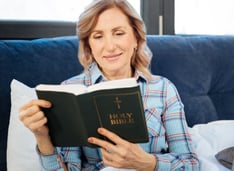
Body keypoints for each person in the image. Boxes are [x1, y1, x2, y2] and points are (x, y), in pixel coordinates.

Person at [19, 0, 200, 170]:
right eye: (98, 36)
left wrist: (147, 163)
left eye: (119, 33)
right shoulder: (70, 90)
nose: (110, 46)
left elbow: (191, 164)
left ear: (136, 38)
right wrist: (42, 138)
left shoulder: (163, 89)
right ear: (89, 46)